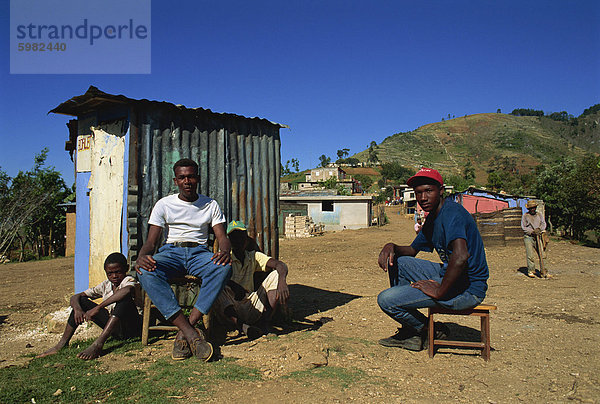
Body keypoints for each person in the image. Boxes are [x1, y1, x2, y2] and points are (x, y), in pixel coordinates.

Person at [377, 167, 489, 351]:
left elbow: (461, 257)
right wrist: (392, 247)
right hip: (451, 274)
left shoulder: (452, 213)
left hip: (469, 288)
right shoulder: (433, 218)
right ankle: (411, 332)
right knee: (398, 261)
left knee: (386, 300)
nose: (423, 198)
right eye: (418, 193)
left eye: (428, 191)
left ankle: (427, 330)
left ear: (441, 190)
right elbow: (412, 251)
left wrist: (439, 290)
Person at [135, 159, 232, 362]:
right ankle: (191, 333)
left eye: (191, 176)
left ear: (197, 178)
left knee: (223, 268)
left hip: (199, 253)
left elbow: (222, 237)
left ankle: (184, 331)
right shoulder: (164, 204)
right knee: (145, 271)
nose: (187, 181)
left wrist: (224, 251)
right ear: (176, 180)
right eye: (182, 177)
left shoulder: (210, 204)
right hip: (171, 253)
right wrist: (142, 257)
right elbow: (151, 242)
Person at [37, 252, 141, 360]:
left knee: (124, 300)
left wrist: (98, 307)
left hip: (132, 327)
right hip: (116, 329)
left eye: (118, 272)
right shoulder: (106, 285)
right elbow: (76, 297)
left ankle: (98, 344)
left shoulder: (129, 280)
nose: (114, 276)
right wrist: (77, 309)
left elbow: (127, 290)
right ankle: (62, 344)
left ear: (126, 269)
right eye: (110, 273)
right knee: (81, 301)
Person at [213, 220, 289, 339]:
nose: (238, 241)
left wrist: (282, 281)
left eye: (241, 237)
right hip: (230, 307)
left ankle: (264, 323)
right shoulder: (224, 257)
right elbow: (214, 278)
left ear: (246, 239)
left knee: (276, 275)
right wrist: (233, 285)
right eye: (233, 238)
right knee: (216, 288)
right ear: (229, 241)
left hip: (250, 305)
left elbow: (280, 265)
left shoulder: (253, 256)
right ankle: (243, 327)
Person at [521, 200, 547, 278]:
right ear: (528, 209)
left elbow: (543, 223)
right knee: (530, 255)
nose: (532, 209)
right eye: (531, 208)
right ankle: (531, 270)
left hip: (538, 236)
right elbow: (523, 227)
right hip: (529, 237)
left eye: (534, 208)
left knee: (542, 255)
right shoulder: (525, 216)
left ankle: (544, 270)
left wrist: (539, 229)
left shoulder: (539, 215)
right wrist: (532, 231)